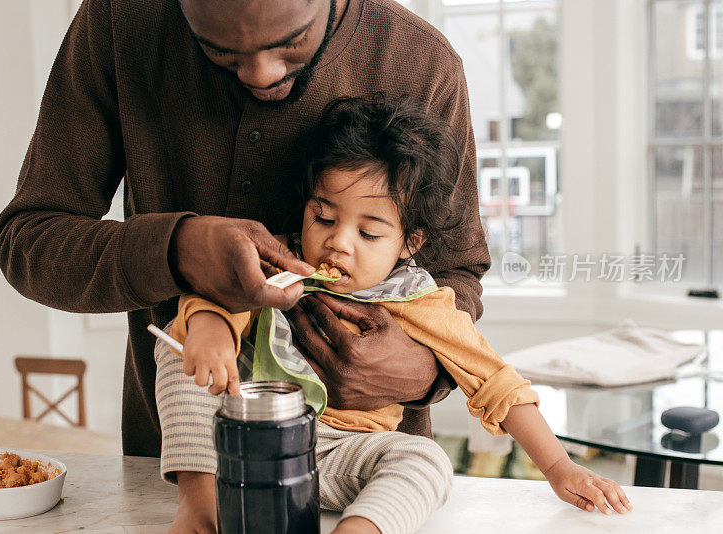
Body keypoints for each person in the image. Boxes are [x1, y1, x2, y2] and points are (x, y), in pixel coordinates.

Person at [0, 0, 490, 460]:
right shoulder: (119, 20)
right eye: (219, 51)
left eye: (291, 41)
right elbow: (30, 241)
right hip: (181, 463)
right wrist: (177, 250)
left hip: (372, 470)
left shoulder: (422, 63)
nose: (261, 75)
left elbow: (457, 269)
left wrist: (425, 371)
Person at [155, 96, 633, 534]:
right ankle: (199, 508)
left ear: (410, 242)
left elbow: (497, 382)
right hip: (241, 443)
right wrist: (210, 325)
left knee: (425, 458)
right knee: (176, 343)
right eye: (324, 218)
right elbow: (212, 295)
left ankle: (361, 530)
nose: (339, 242)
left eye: (369, 233)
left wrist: (559, 467)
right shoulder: (275, 261)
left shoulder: (418, 301)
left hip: (340, 456)